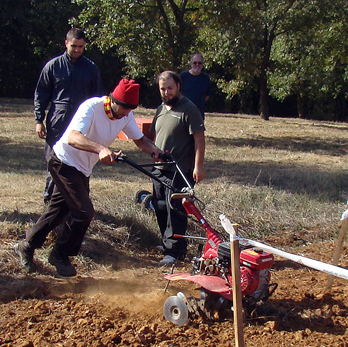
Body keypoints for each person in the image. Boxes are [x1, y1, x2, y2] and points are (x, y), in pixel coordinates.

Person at [15, 79, 161, 278]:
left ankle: (26, 245)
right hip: (63, 162)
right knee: (83, 211)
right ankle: (59, 255)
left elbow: (139, 140)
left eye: (130, 110)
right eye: (124, 108)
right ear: (113, 99)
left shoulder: (125, 115)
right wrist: (101, 149)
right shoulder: (92, 107)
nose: (126, 114)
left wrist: (155, 151)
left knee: (57, 211)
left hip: (83, 169)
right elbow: (73, 137)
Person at [34, 28, 101, 198]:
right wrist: (38, 120)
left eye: (80, 46)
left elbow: (98, 98)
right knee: (54, 160)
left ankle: (79, 200)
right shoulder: (53, 66)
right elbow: (41, 94)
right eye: (74, 46)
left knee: (80, 162)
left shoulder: (91, 68)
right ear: (66, 43)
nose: (77, 49)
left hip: (82, 123)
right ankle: (50, 198)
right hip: (58, 121)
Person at [151, 70, 206, 265]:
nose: (166, 92)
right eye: (163, 89)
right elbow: (153, 135)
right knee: (160, 206)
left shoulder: (189, 108)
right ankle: (167, 243)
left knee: (176, 209)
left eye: (170, 88)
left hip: (180, 169)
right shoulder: (160, 109)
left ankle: (175, 252)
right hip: (159, 168)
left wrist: (198, 167)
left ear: (178, 86)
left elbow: (199, 139)